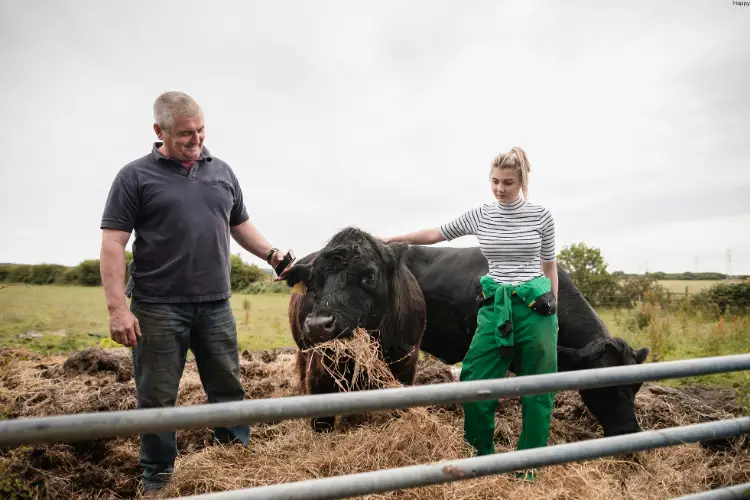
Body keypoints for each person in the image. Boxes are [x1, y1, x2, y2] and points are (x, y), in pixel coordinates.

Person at [99, 91, 292, 496]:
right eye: (186, 133)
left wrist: (272, 254)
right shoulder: (134, 177)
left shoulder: (220, 170)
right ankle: (158, 479)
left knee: (228, 386)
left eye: (201, 129)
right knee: (156, 397)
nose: (197, 139)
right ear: (159, 131)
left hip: (216, 304)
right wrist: (118, 309)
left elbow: (239, 224)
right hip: (156, 307)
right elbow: (113, 243)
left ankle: (234, 460)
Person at [381, 147, 558, 482]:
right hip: (494, 305)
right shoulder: (481, 215)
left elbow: (549, 266)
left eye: (507, 182)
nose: (500, 188)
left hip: (535, 306)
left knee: (538, 388)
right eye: (494, 181)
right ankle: (481, 458)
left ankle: (528, 467)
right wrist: (394, 237)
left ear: (521, 181)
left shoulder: (541, 217)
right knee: (474, 380)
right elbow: (437, 233)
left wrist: (554, 313)